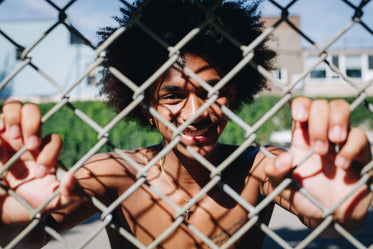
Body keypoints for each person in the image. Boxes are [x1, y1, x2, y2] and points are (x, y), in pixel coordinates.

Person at [0, 0, 372, 248]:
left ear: (233, 94)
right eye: (174, 95)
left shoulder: (261, 169)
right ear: (146, 106)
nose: (197, 110)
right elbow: (30, 230)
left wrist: (333, 208)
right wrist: (8, 215)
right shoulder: (117, 174)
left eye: (213, 91)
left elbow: (318, 213)